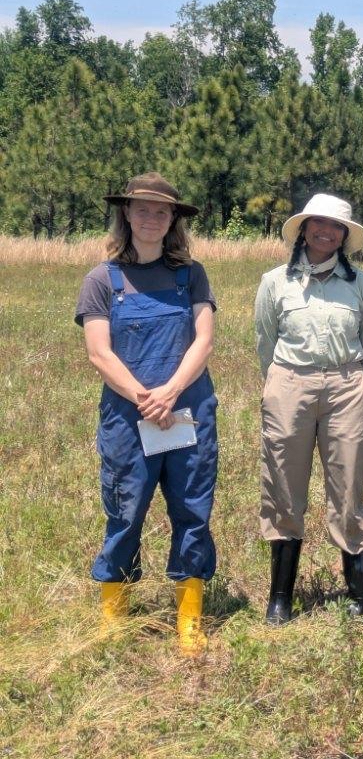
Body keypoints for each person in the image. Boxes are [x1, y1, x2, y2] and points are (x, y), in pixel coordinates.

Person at [76, 172, 217, 655]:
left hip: (187, 412)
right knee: (125, 510)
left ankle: (189, 618)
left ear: (174, 219)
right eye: (142, 209)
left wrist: (171, 392)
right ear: (126, 214)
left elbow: (204, 340)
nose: (151, 218)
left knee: (191, 510)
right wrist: (146, 398)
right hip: (127, 417)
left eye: (162, 211)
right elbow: (99, 353)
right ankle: (115, 617)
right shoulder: (102, 279)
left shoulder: (190, 274)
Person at [255, 193, 363, 625]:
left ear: (345, 235)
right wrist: (282, 385)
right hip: (289, 382)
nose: (326, 232)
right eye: (318, 224)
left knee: (348, 486)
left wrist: (353, 381)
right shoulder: (274, 282)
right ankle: (280, 598)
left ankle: (359, 596)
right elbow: (265, 342)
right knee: (283, 486)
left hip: (347, 384)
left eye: (335, 227)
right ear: (304, 228)